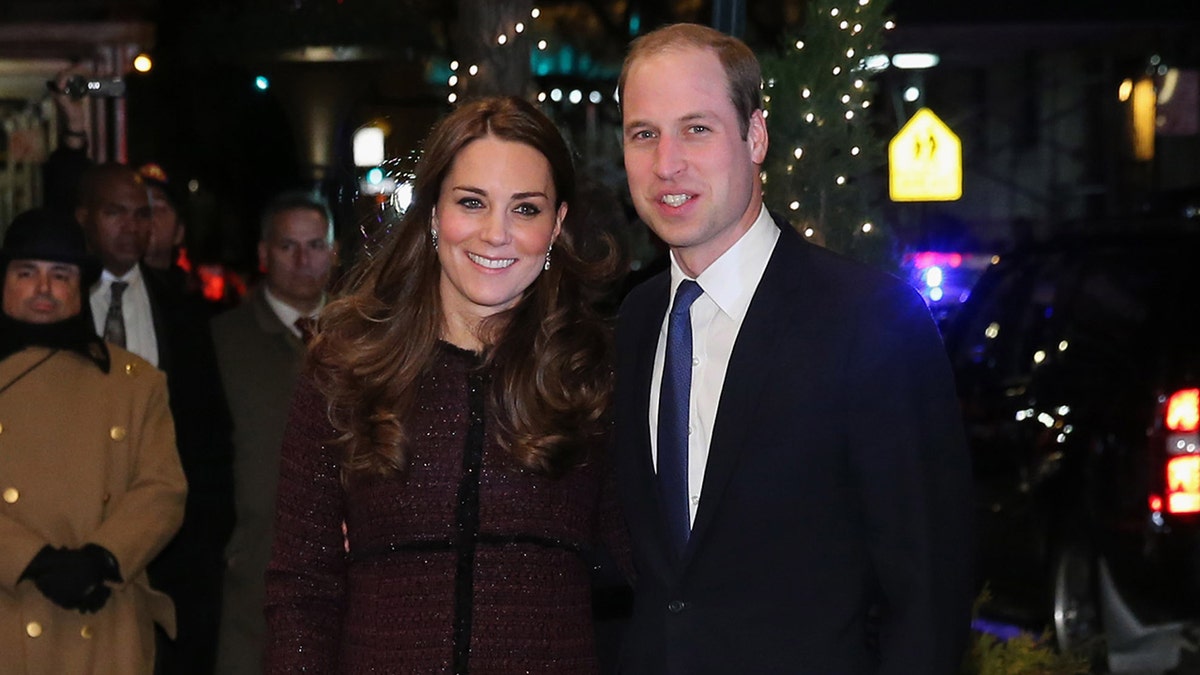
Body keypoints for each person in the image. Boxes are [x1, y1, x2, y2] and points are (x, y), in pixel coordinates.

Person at [611, 23, 975, 674]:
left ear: (755, 136)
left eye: (697, 128)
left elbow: (929, 591)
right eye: (645, 133)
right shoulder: (633, 323)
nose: (667, 162)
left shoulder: (870, 319)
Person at [264, 95, 628, 673]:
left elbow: (651, 576)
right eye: (472, 202)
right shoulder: (347, 366)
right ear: (434, 211)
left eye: (526, 209)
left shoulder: (595, 375)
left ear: (558, 225)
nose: (495, 233)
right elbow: (301, 591)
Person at [0, 208, 187, 675]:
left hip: (105, 612)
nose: (44, 289)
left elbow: (163, 490)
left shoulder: (135, 383)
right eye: (27, 273)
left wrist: (102, 558)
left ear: (80, 289)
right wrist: (33, 561)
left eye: (60, 275)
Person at [75, 163, 234, 675]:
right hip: (74, 536)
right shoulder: (59, 306)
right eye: (114, 213)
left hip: (174, 548)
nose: (131, 226)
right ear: (85, 220)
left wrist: (209, 536)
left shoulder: (185, 309)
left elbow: (209, 431)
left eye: (141, 214)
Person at [212, 190, 338, 675]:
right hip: (251, 572)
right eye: (289, 246)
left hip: (345, 569)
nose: (304, 260)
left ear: (334, 250)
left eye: (315, 245)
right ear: (264, 253)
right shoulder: (223, 341)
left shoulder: (367, 339)